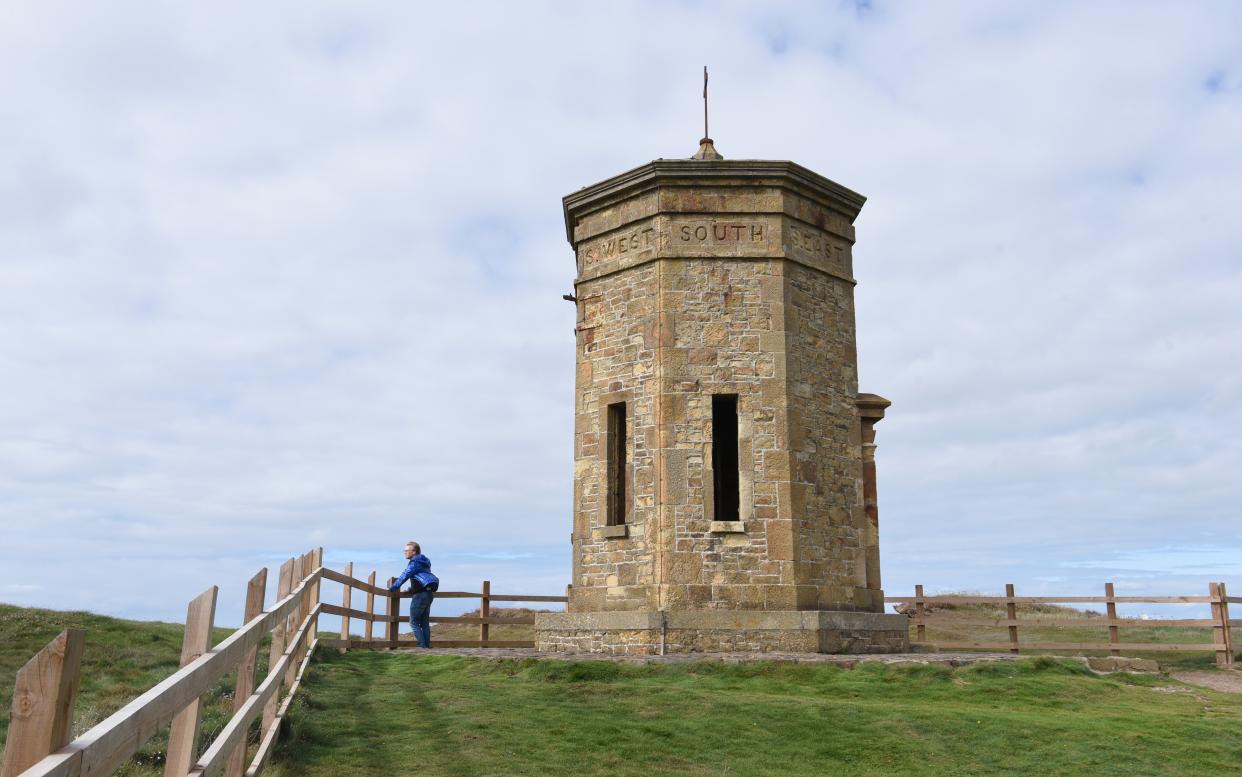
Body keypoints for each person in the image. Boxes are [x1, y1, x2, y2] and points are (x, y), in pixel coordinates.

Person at [390, 541, 439, 648]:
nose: (404, 552)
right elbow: (421, 579)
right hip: (428, 594)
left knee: (413, 622)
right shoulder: (423, 562)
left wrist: (392, 588)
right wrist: (409, 589)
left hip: (420, 596)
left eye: (407, 550)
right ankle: (426, 647)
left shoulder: (414, 562)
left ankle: (422, 647)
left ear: (414, 552)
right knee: (424, 623)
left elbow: (405, 575)